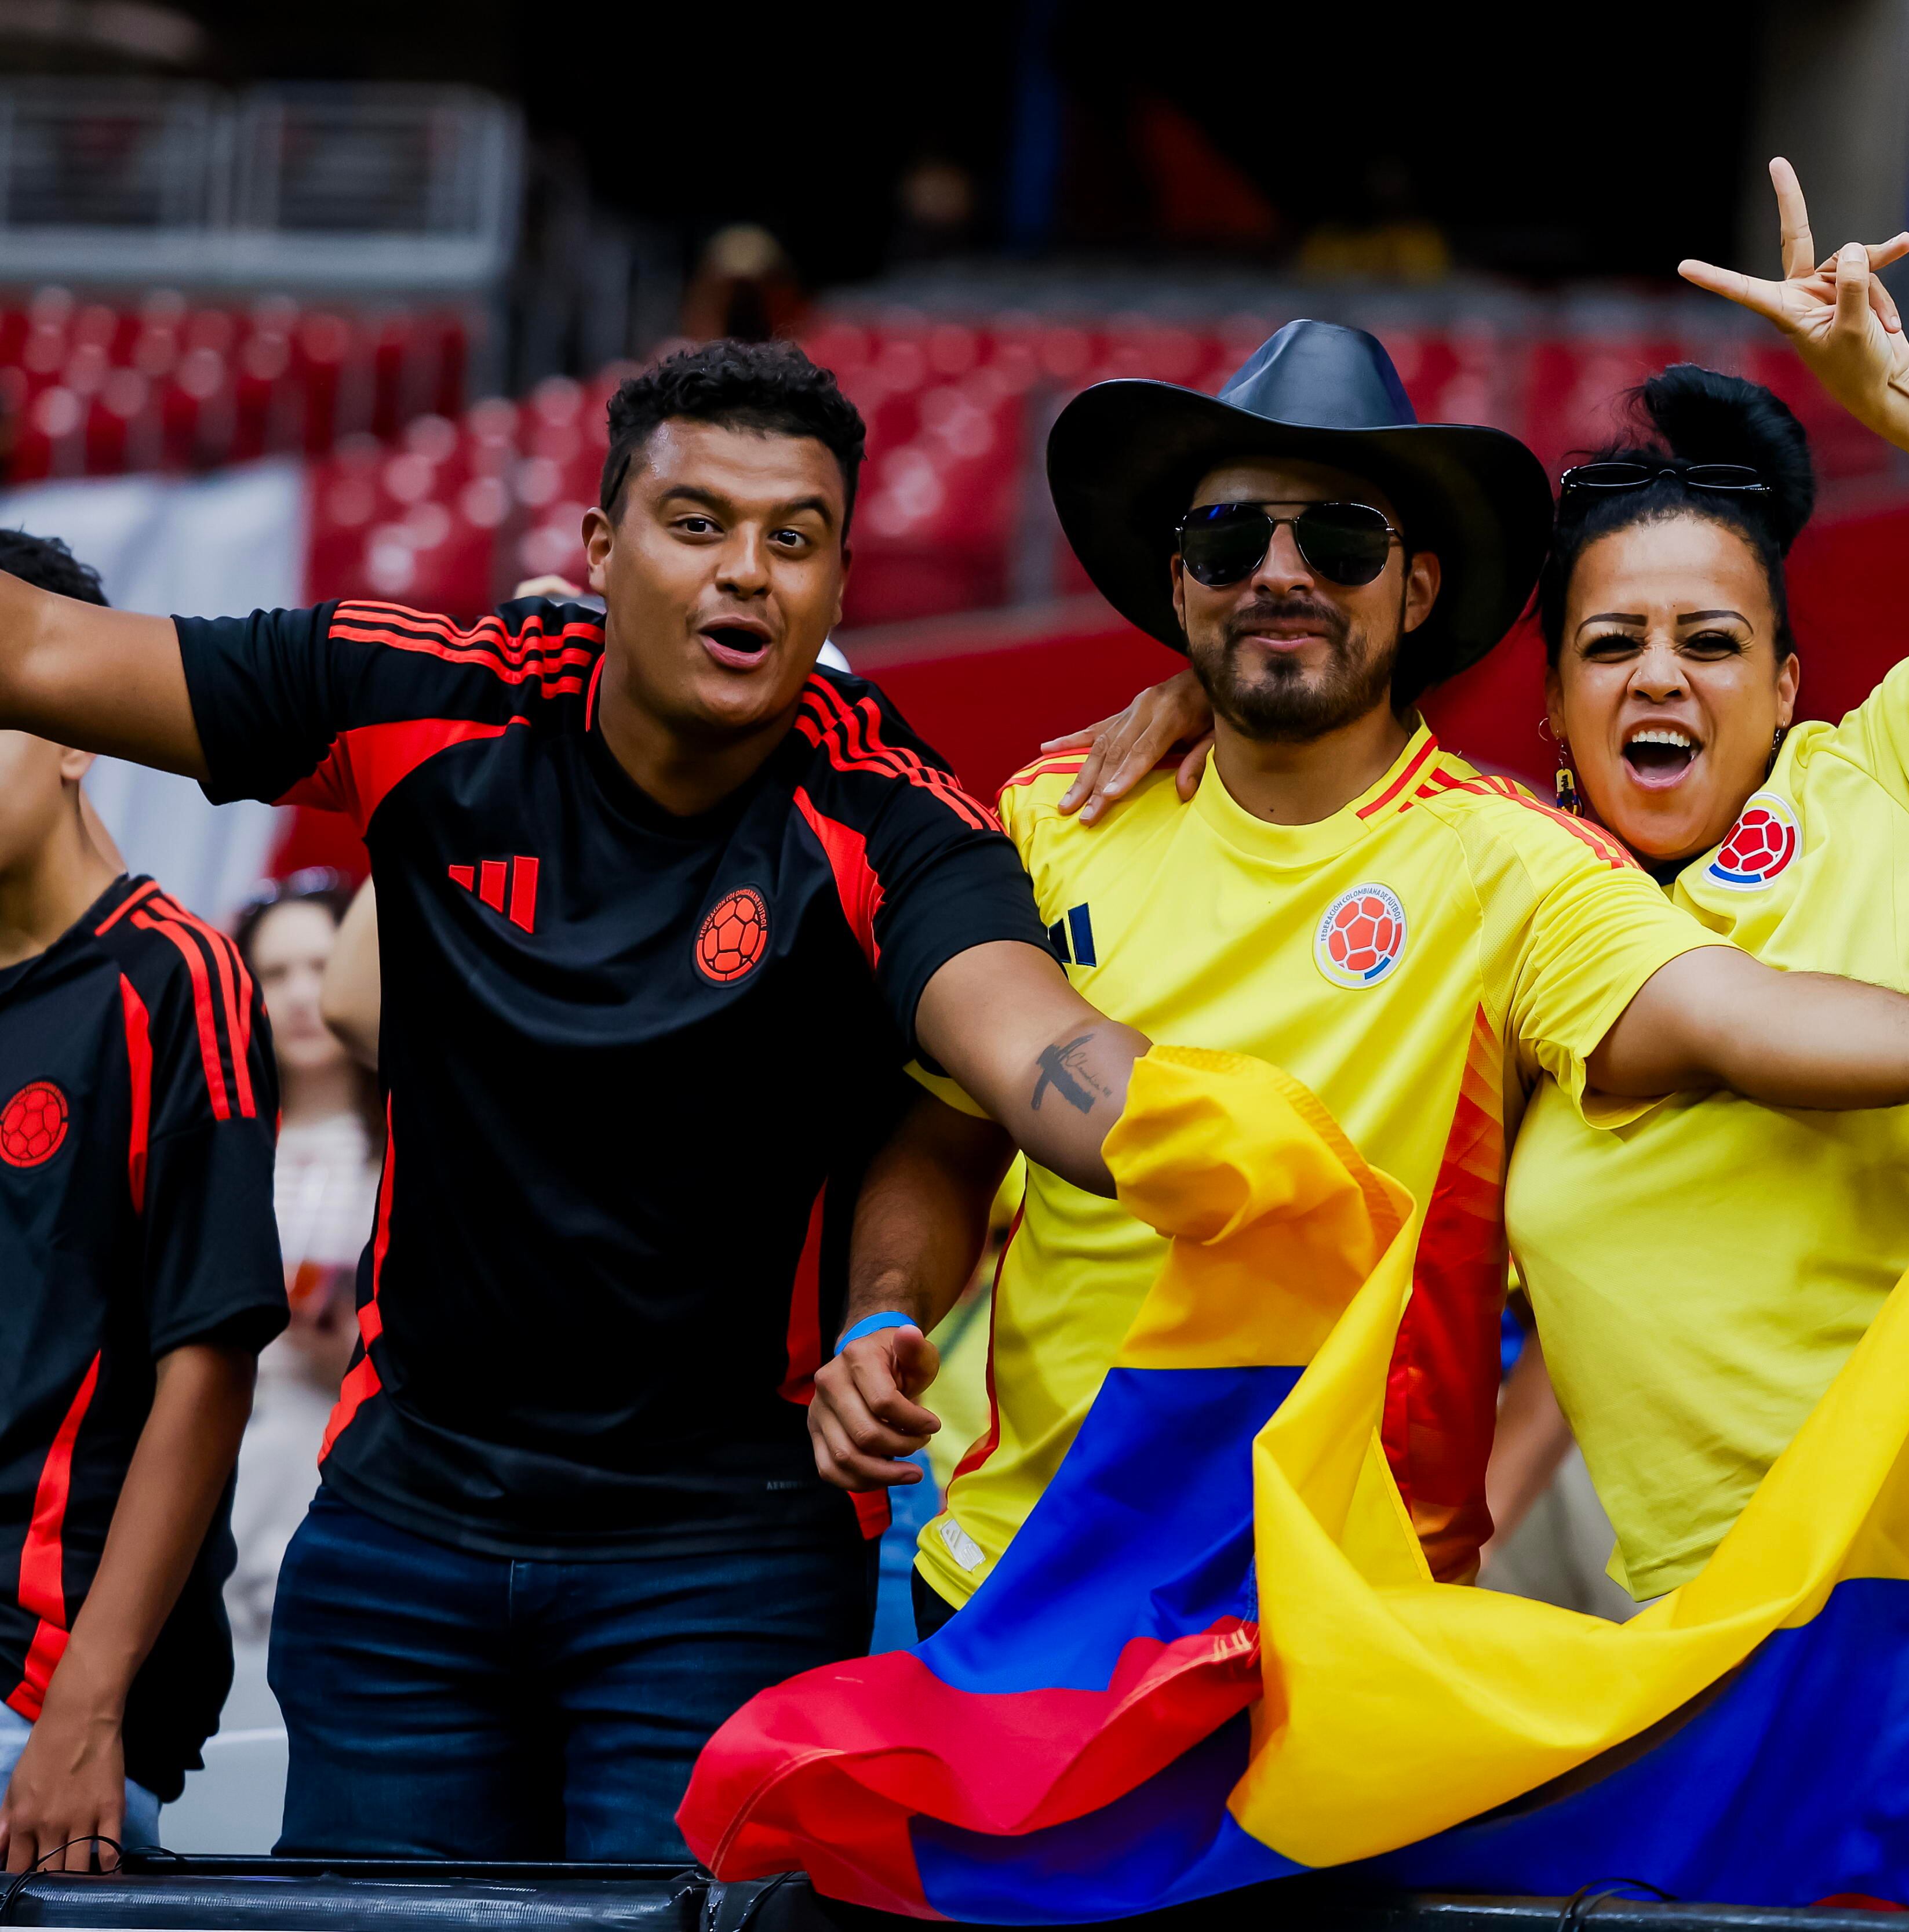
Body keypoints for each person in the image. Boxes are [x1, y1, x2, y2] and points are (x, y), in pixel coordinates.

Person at [1027, 170, 1909, 1890]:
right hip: (1732, 1624)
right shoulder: (1498, 906)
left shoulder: (1890, 766)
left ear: (1795, 685)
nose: (1660, 675)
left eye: (1710, 641)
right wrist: (1213, 700)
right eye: (1612, 643)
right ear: (1552, 707)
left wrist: (1895, 395)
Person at [803, 316, 1909, 1632]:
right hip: (1011, 1572)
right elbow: (948, 1126)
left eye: (1339, 540)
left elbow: (1717, 1007)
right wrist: (882, 1308)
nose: (1281, 571)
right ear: (1178, 584)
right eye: (1230, 540)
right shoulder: (1056, 811)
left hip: (1340, 1606)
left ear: (1413, 589)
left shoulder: (1520, 867)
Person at [0, 339, 1171, 1860]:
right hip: (406, 1534)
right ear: (602, 553)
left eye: (795, 538)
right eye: (697, 524)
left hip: (725, 1559)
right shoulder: (438, 698)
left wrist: (1208, 1141)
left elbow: (1033, 1047)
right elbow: (35, 652)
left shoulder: (888, 812)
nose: (746, 572)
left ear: (835, 587)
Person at [0, 528, 287, 1872]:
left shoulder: (177, 979)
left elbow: (208, 1365)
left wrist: (83, 1703)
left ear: (71, 728)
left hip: (37, 1710)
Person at [223, 873, 378, 1645]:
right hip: (229, 1487)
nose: (299, 994)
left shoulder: (420, 1144)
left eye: (321, 966)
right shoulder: (220, 1151)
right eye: (274, 974)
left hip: (369, 1491)